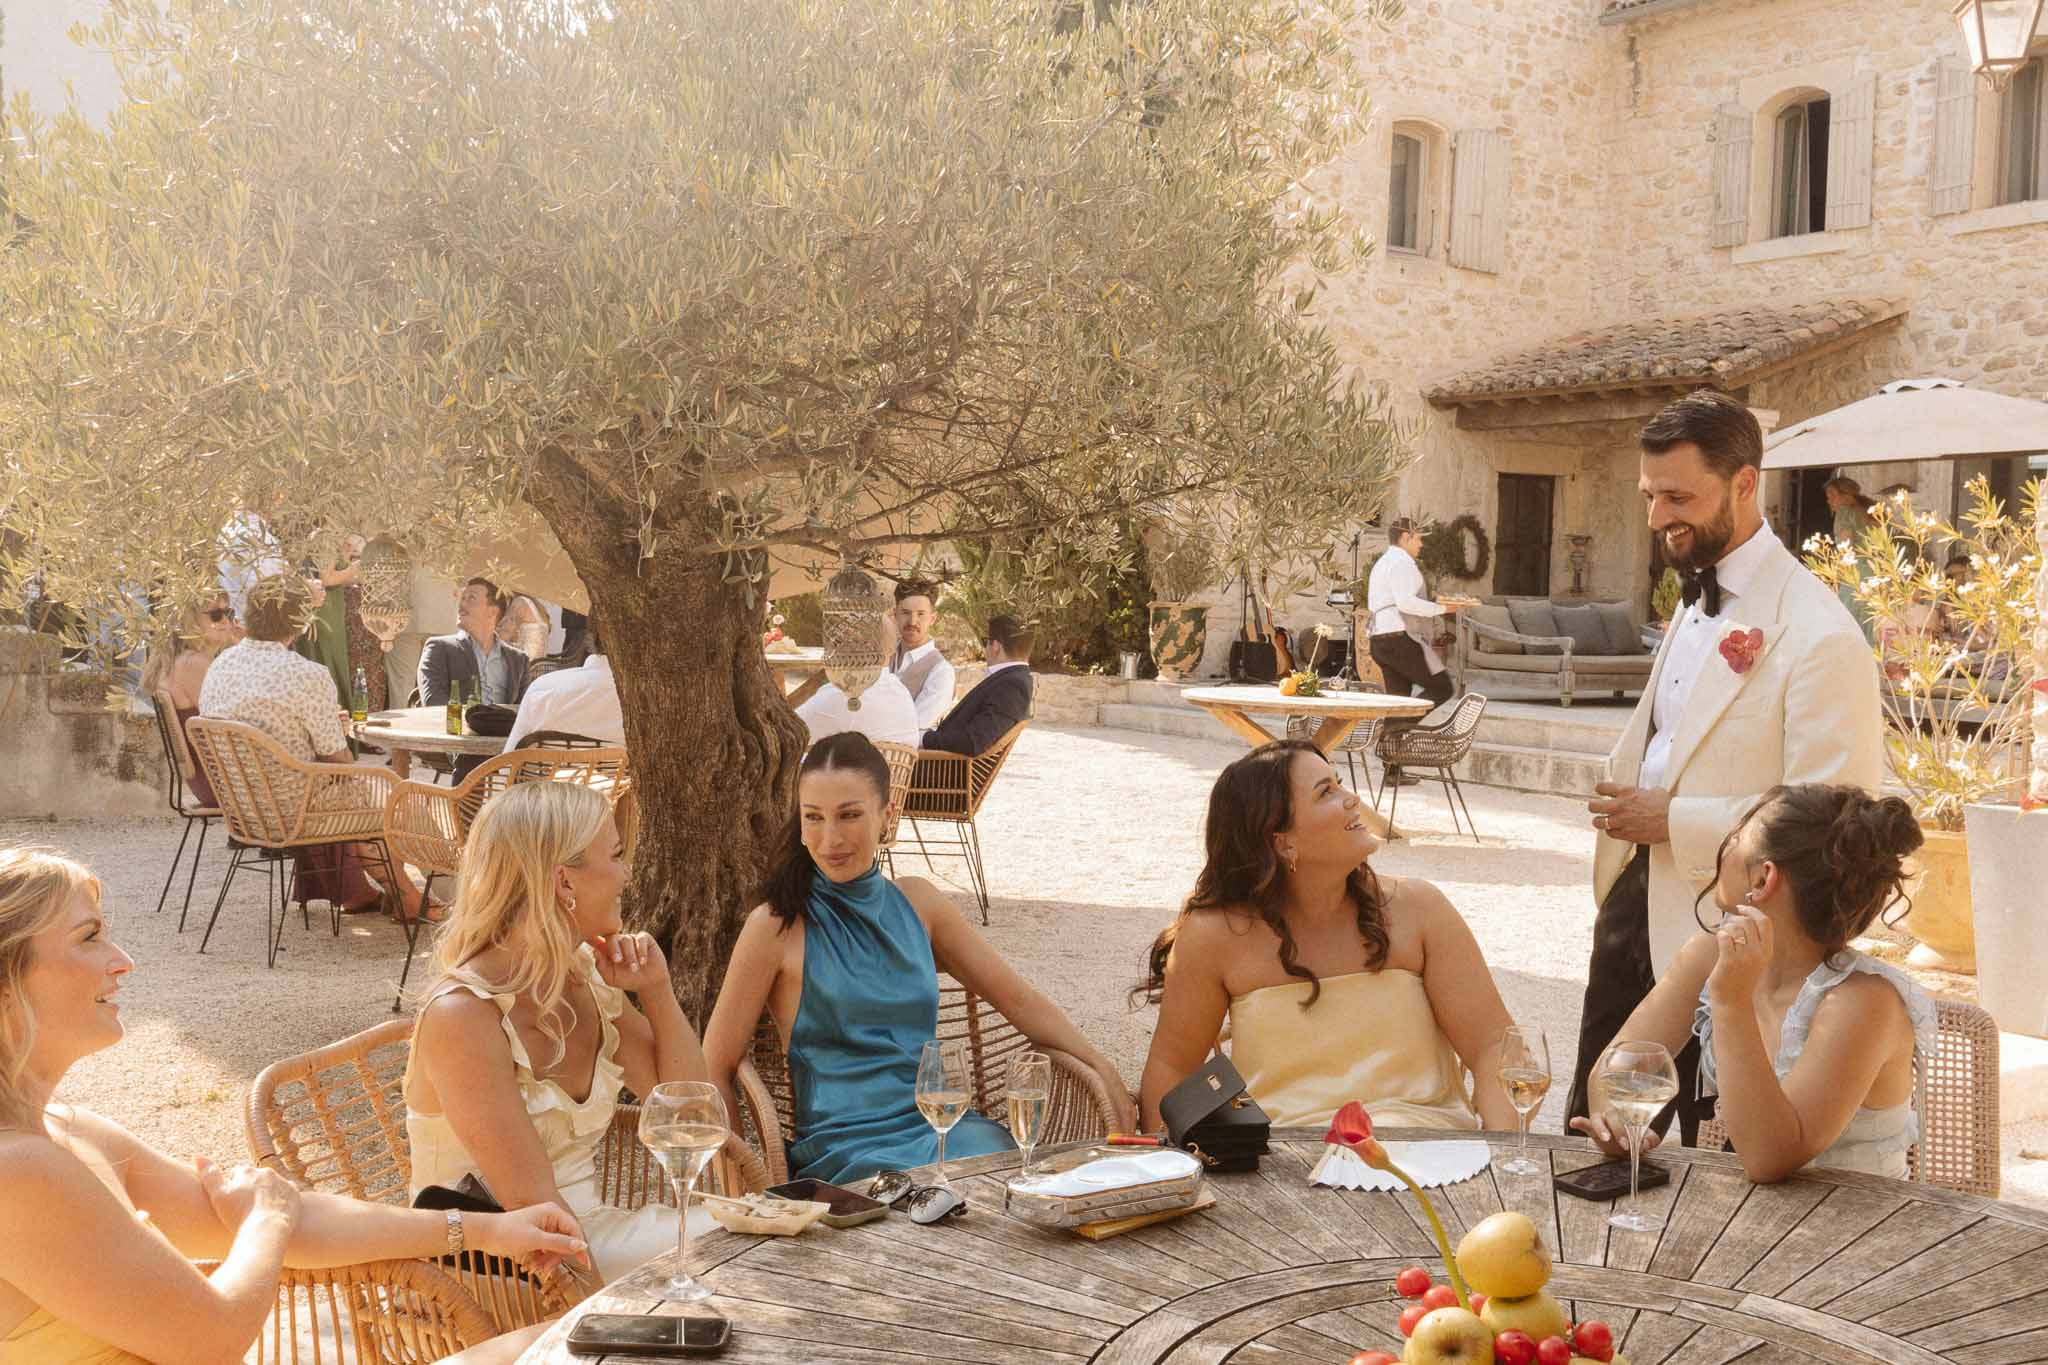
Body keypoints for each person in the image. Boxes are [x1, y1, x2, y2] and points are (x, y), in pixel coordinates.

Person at [0, 846, 585, 1365]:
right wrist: (266, 1221)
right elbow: (212, 1337)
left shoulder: (69, 1131)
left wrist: (488, 1231)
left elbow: (296, 1220)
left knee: (553, 1341)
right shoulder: (19, 1170)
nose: (123, 959)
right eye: (89, 937)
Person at [1573, 391, 1883, 1143]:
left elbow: (1835, 815)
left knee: (1708, 1181)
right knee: (1598, 1147)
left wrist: (1671, 818)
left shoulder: (1821, 635)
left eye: (1679, 496)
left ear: (1746, 485)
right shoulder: (1691, 597)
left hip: (1737, 944)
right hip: (1630, 907)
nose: (1655, 518)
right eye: (1650, 496)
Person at [702, 733, 1133, 1185]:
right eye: (813, 818)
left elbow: (1019, 1001)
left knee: (1007, 1177)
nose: (830, 839)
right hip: (845, 1149)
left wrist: (1102, 1065)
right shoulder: (775, 925)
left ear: (887, 817)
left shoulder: (920, 903)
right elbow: (716, 1062)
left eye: (849, 815)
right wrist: (740, 1178)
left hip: (942, 1124)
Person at [405, 781, 713, 1282]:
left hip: (589, 1236)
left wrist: (656, 990)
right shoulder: (462, 1016)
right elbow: (536, 1216)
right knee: (745, 1245)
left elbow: (689, 1110)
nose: (628, 874)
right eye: (615, 856)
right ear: (565, 881)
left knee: (765, 1231)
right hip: (496, 1269)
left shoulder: (585, 975)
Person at [1133, 740, 1517, 1132]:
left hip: (1431, 1158)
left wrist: (1503, 1152)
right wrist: (1170, 1173)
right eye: (1326, 792)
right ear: (1283, 842)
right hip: (1281, 1170)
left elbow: (1495, 1045)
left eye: (1340, 783)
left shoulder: (1420, 908)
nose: (1352, 799)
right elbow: (1173, 1068)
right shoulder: (1215, 934)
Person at [1571, 785, 1932, 1182]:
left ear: (1763, 878)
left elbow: (1768, 1159)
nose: (1723, 848)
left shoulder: (1862, 1004)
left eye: (1737, 837)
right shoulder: (1709, 955)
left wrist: (1730, 1002)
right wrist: (1616, 1124)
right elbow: (1613, 1070)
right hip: (1751, 1220)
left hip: (1858, 1229)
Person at [199, 574, 438, 923]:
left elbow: (269, 731)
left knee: (366, 795)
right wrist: (334, 733)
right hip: (297, 806)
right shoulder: (305, 673)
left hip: (245, 806)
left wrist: (322, 724)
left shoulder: (221, 665)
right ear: (301, 621)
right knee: (396, 790)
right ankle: (436, 891)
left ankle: (404, 896)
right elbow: (337, 759)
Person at [140, 593, 243, 807]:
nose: (226, 621)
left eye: (228, 613)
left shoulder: (183, 661)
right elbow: (239, 721)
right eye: (216, 615)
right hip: (222, 783)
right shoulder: (193, 664)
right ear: (188, 622)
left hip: (207, 780)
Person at [797, 612, 920, 749]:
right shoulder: (901, 693)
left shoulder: (842, 694)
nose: (836, 649)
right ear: (891, 649)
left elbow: (786, 733)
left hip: (836, 768)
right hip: (893, 770)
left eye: (840, 641)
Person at [1365, 518, 1454, 705]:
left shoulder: (1383, 562)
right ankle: (1401, 726)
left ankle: (1393, 733)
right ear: (1405, 537)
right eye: (1418, 539)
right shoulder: (1402, 562)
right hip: (1399, 639)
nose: (1421, 544)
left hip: (1380, 640)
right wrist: (1444, 608)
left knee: (1398, 701)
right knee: (1441, 688)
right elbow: (1405, 602)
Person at [921, 614, 1033, 756]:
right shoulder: (1013, 679)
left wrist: (923, 738)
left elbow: (973, 742)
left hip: (941, 772)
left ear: (996, 647)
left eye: (986, 641)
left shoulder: (1012, 685)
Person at [417, 577, 533, 709]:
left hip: (503, 728)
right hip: (458, 727)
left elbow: (524, 709)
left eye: (471, 598)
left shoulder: (519, 660)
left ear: (492, 612)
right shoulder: (439, 648)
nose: (461, 605)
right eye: (462, 598)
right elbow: (434, 703)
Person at [503, 635, 624, 751]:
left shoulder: (544, 687)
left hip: (548, 771)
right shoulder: (639, 703)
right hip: (620, 772)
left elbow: (508, 762)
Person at [890, 580, 957, 729]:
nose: (913, 621)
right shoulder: (882, 657)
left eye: (920, 614)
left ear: (932, 618)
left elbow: (915, 725)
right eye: (906, 613)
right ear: (895, 614)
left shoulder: (941, 671)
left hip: (907, 751)